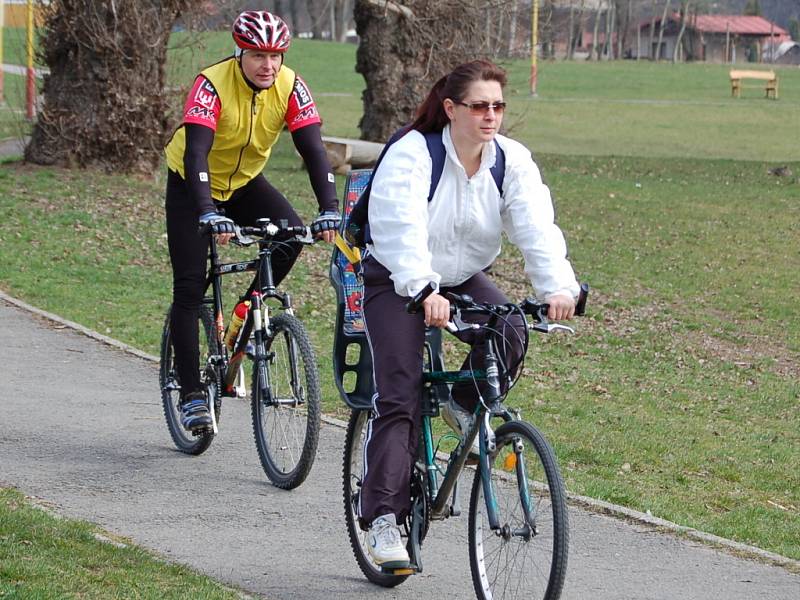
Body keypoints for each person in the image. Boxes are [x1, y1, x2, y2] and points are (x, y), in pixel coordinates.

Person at [357, 59, 580, 568]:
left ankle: (461, 403)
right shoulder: (414, 153)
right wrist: (421, 289)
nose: (491, 116)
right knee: (400, 396)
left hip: (461, 277)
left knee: (512, 327)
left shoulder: (510, 160)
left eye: (498, 106)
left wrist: (557, 288)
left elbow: (536, 228)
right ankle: (384, 520)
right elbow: (398, 227)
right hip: (396, 279)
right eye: (479, 106)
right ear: (452, 108)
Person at [164, 10, 340, 432]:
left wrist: (329, 207)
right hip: (192, 185)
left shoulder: (291, 86)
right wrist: (207, 210)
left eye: (276, 56)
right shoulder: (211, 84)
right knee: (190, 287)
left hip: (244, 182)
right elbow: (196, 152)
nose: (269, 65)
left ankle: (244, 313)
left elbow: (314, 151)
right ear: (240, 53)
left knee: (291, 236)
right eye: (259, 55)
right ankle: (191, 395)